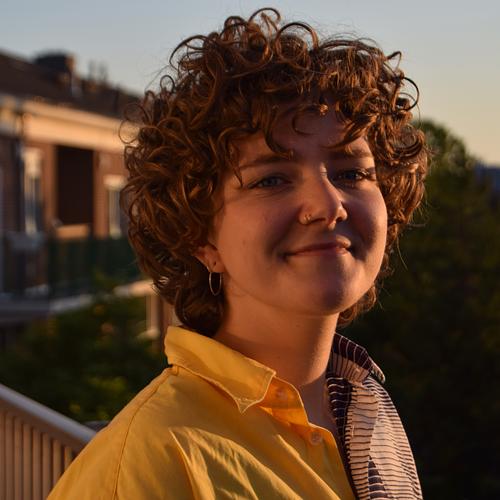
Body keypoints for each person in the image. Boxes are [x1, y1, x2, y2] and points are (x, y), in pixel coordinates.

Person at [49, 8, 428, 500]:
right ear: (201, 239)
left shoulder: (362, 409)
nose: (328, 204)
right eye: (272, 179)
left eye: (352, 172)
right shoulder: (156, 462)